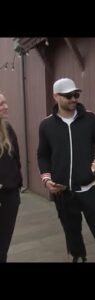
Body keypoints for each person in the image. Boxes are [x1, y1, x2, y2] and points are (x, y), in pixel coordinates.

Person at [37, 78, 95, 263]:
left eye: (76, 94)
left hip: (91, 189)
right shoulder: (46, 125)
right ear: (56, 97)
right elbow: (42, 155)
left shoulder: (89, 118)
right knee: (72, 234)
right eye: (68, 96)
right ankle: (79, 257)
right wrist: (47, 180)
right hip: (63, 192)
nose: (74, 99)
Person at [0, 93, 22, 262]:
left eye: (5, 102)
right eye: (1, 104)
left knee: (3, 245)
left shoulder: (8, 129)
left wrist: (15, 185)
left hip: (9, 197)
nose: (6, 106)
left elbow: (16, 161)